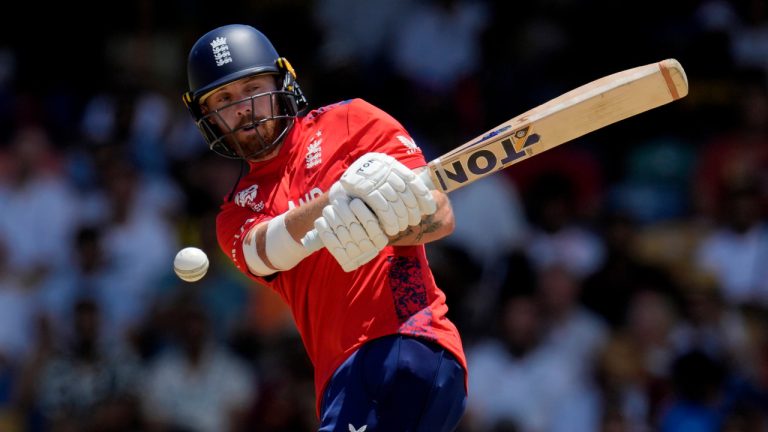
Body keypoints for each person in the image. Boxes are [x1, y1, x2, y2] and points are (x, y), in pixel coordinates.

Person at [182, 24, 467, 431]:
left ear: (282, 83)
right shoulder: (234, 215)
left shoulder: (352, 122)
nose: (243, 107)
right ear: (208, 117)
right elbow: (268, 250)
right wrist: (338, 202)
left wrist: (377, 224)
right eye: (224, 99)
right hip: (343, 379)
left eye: (252, 88)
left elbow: (439, 216)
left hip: (407, 340)